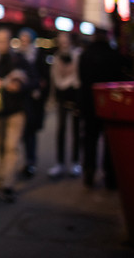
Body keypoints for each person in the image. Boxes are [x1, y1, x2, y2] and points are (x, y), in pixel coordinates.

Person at [79, 28, 128, 188]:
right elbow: (121, 78)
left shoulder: (85, 55)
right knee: (109, 141)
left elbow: (82, 80)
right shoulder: (114, 55)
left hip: (90, 104)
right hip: (109, 105)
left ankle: (89, 172)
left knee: (90, 139)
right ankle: (110, 177)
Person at [0, 27, 29, 203]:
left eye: (5, 40)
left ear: (10, 41)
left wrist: (20, 85)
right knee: (1, 146)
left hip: (16, 111)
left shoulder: (19, 60)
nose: (2, 43)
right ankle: (4, 174)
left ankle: (7, 184)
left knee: (12, 147)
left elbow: (34, 80)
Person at [47, 31, 82, 179]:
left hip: (75, 98)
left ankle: (75, 162)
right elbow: (54, 80)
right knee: (61, 129)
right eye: (61, 41)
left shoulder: (77, 56)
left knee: (76, 130)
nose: (63, 43)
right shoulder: (56, 58)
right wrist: (53, 97)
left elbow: (79, 76)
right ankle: (60, 163)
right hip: (62, 98)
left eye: (65, 40)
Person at [17, 27, 49, 179]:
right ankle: (25, 161)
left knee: (30, 132)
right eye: (22, 39)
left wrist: (39, 88)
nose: (24, 42)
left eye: (26, 39)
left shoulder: (39, 55)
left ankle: (30, 162)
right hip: (21, 100)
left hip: (35, 101)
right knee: (22, 132)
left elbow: (45, 79)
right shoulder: (16, 57)